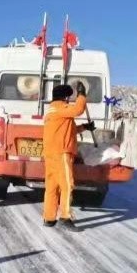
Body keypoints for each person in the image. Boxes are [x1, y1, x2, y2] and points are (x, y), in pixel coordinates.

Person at [42, 82, 95, 231]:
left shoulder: (52, 110)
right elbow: (78, 109)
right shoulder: (60, 108)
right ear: (64, 98)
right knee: (67, 185)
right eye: (68, 98)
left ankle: (49, 217)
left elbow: (66, 131)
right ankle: (65, 217)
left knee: (52, 186)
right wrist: (82, 95)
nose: (69, 101)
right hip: (61, 153)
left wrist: (84, 127)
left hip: (51, 154)